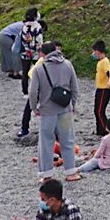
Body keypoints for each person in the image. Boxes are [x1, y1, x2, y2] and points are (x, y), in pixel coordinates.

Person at [28, 40, 80, 177]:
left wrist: (34, 108)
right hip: (65, 110)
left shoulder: (39, 69)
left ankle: (46, 175)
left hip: (47, 112)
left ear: (44, 54)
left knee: (46, 143)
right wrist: (72, 105)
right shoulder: (68, 65)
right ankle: (70, 172)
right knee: (67, 140)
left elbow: (33, 92)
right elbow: (75, 88)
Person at [68, 114, 110, 182]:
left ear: (107, 127)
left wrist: (95, 156)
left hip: (107, 163)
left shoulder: (105, 139)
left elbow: (100, 152)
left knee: (93, 162)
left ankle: (79, 169)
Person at [91, 40, 110, 135]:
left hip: (104, 89)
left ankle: (105, 130)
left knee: (100, 111)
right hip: (99, 88)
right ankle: (99, 130)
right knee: (97, 110)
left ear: (98, 51)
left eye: (94, 51)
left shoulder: (105, 61)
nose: (93, 53)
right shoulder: (100, 62)